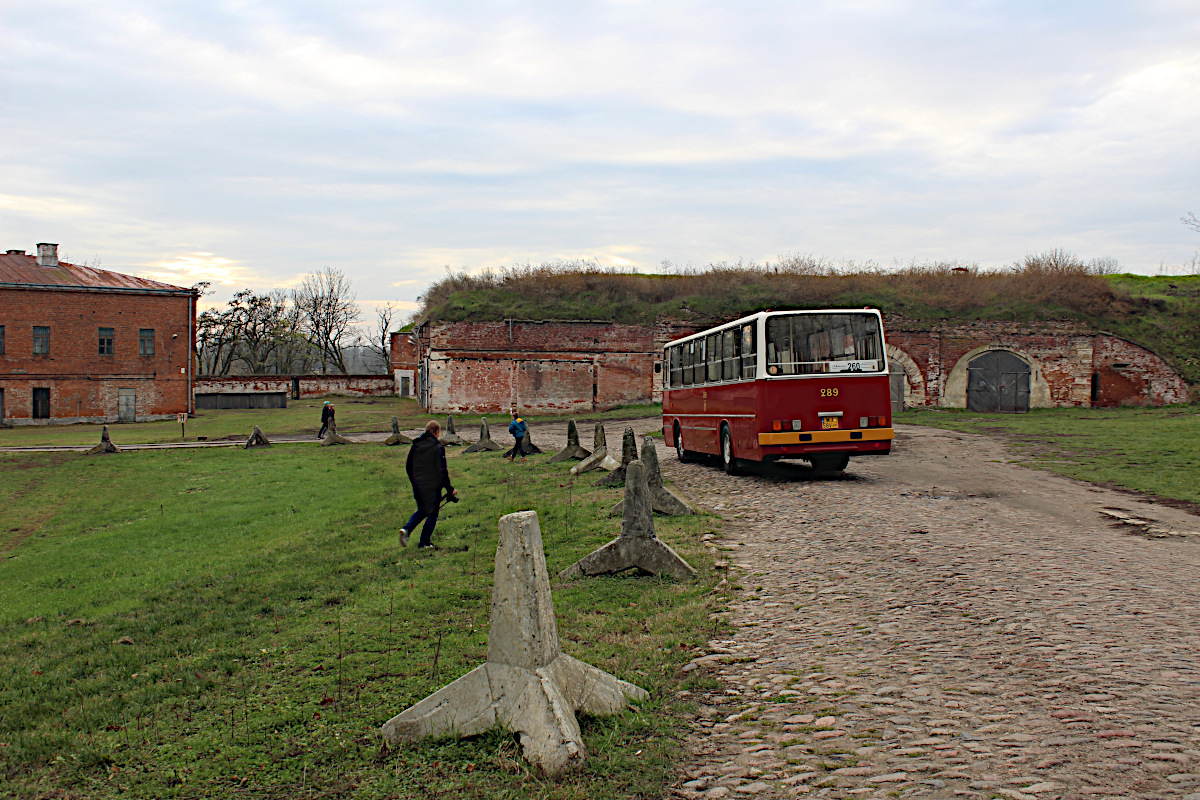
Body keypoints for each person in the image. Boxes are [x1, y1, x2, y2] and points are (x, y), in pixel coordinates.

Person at [400, 420, 457, 549]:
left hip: (418, 484)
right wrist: (449, 488)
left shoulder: (416, 445)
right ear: (437, 432)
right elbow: (441, 470)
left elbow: (409, 466)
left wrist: (414, 480)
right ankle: (424, 542)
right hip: (432, 486)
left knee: (423, 510)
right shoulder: (438, 447)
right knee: (433, 513)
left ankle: (406, 530)